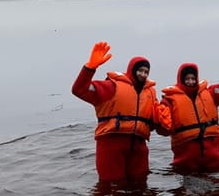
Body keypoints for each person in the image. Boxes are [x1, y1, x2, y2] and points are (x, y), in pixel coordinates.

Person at [72, 41, 169, 184]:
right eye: (140, 70)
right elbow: (79, 90)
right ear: (131, 70)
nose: (143, 74)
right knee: (111, 188)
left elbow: (153, 125)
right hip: (111, 145)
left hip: (139, 146)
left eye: (146, 72)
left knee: (141, 185)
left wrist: (161, 119)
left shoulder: (150, 93)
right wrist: (90, 68)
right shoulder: (111, 87)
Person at [158, 44, 219, 174]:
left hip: (214, 158)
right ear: (181, 80)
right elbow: (162, 131)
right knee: (188, 193)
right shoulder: (169, 101)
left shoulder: (211, 93)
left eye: (193, 78)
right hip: (186, 163)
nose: (190, 82)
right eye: (187, 79)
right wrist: (161, 123)